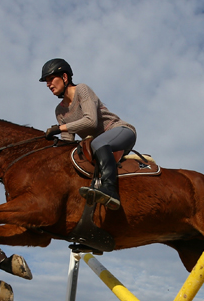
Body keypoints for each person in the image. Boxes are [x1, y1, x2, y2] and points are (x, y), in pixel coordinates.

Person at [40, 58, 136, 211]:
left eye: (51, 79)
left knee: (97, 143)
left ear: (64, 77)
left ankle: (111, 191)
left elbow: (91, 121)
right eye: (46, 81)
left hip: (120, 131)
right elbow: (68, 143)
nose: (48, 84)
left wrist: (60, 128)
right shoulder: (60, 111)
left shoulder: (82, 90)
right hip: (99, 145)